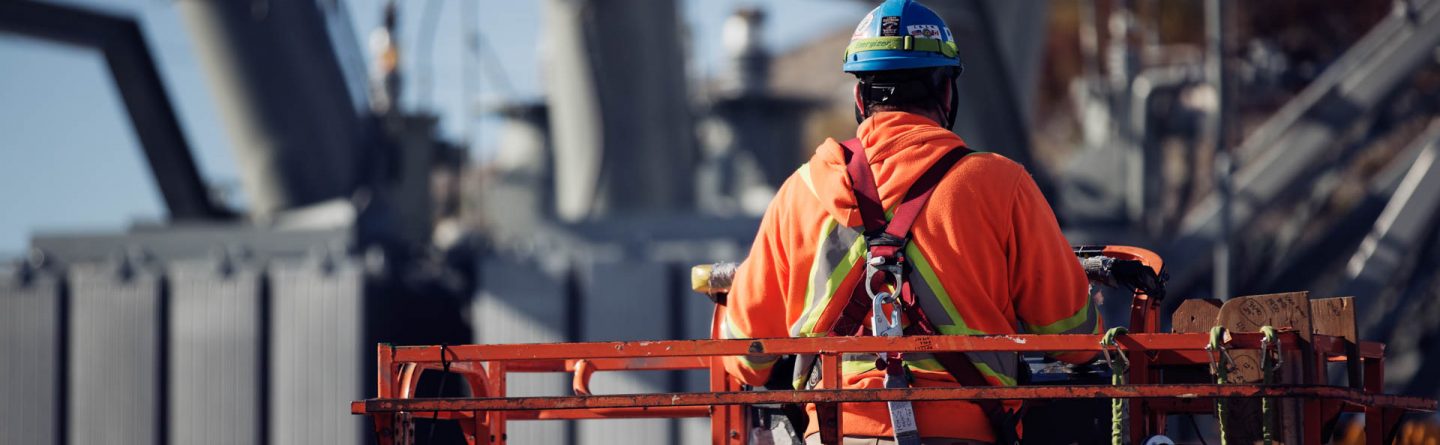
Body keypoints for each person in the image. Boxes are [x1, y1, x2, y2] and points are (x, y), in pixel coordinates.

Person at [717, 0, 1099, 443]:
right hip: (965, 435)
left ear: (860, 98)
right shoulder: (1001, 184)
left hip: (835, 434)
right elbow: (1074, 338)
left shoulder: (800, 192)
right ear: (947, 93)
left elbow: (746, 357)